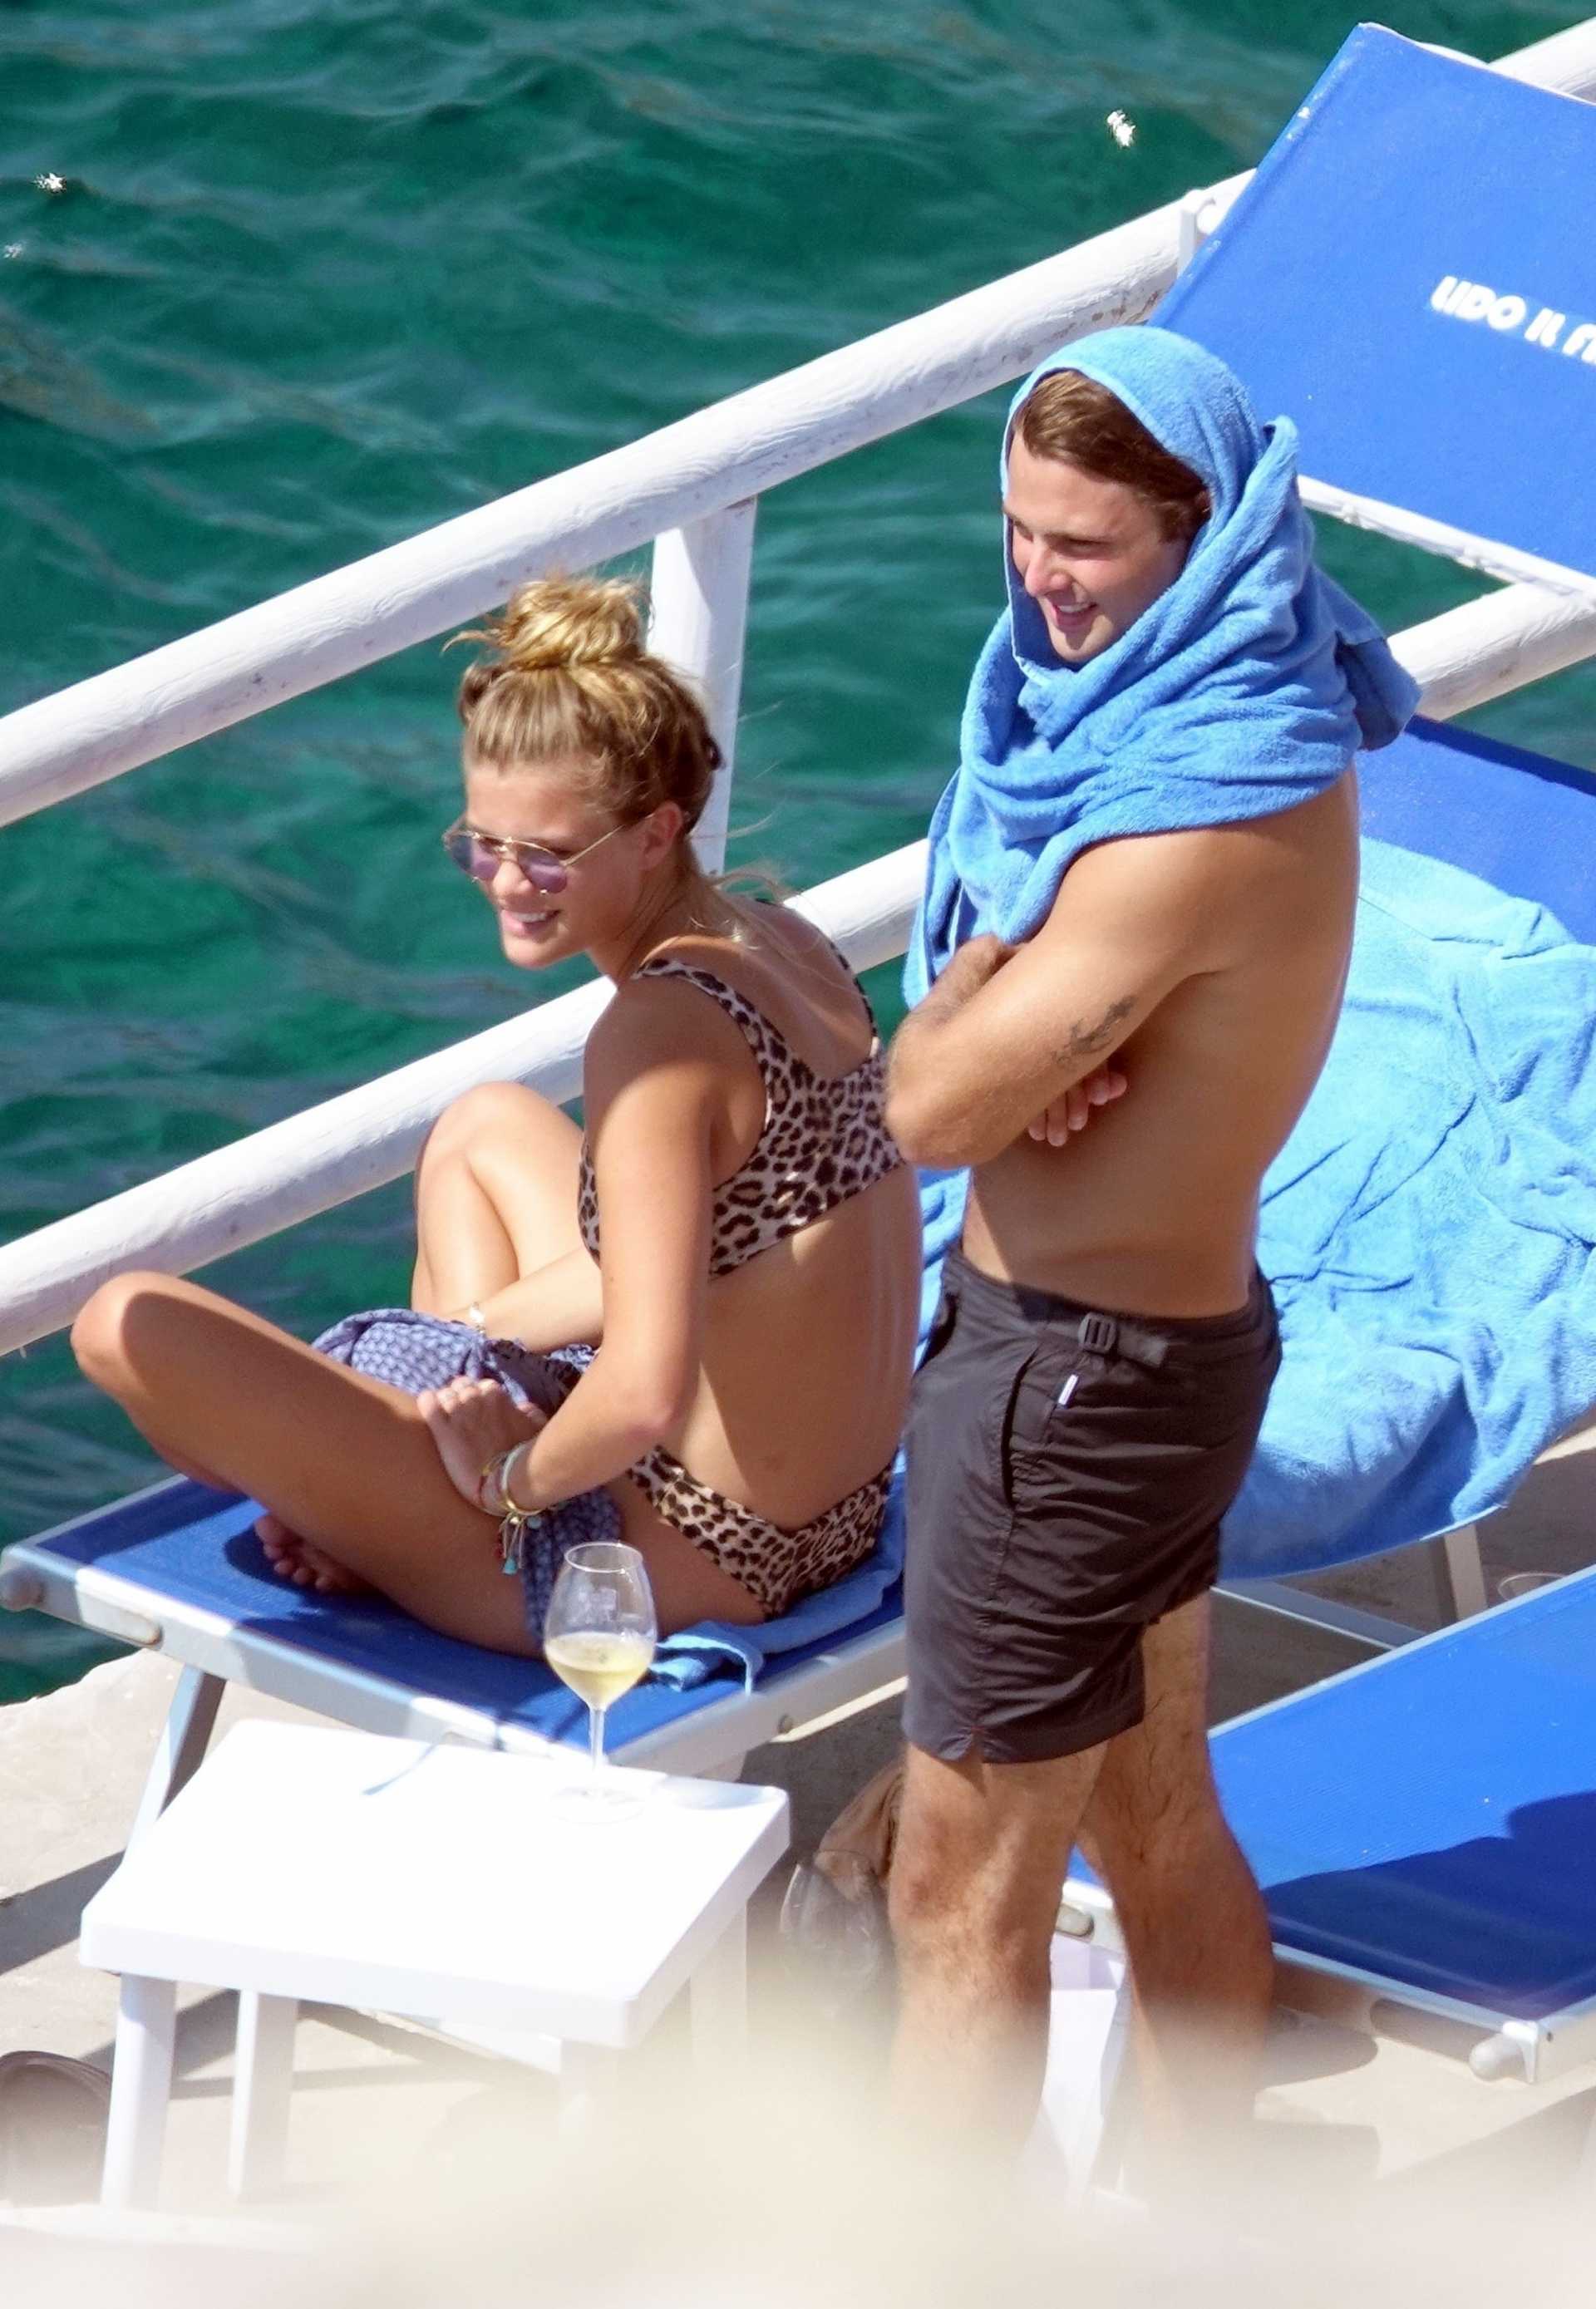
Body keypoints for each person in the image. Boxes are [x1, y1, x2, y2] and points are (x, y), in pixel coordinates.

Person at [880, 327, 1417, 2157]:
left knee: (956, 1894)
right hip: (1159, 1363)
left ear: (1206, 534)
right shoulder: (1235, 712)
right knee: (1153, 1815)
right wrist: (1025, 1034)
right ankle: (1214, 2229)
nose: (1042, 578)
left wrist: (976, 1016)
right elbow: (997, 1082)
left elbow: (929, 1107)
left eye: (1089, 544)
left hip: (1066, 1394)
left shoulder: (1191, 820)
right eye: (1021, 530)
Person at [71, 577, 922, 1649]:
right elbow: (726, 1252)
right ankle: (412, 1441)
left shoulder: (657, 1033)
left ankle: (401, 1495)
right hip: (830, 1525)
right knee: (484, 1128)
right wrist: (466, 1348)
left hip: (665, 1564)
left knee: (122, 1326)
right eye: (484, 844)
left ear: (657, 831)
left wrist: (505, 1479)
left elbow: (644, 1395)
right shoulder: (779, 941)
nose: (509, 884)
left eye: (548, 853)